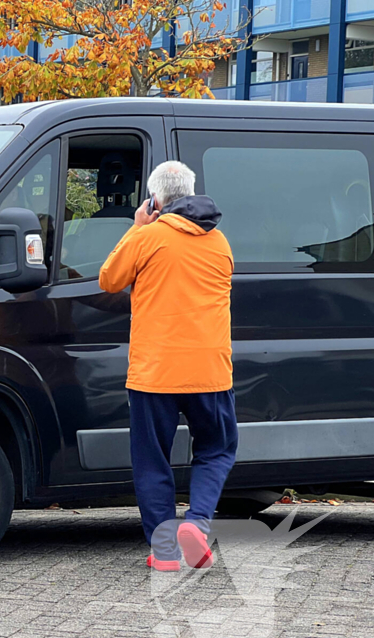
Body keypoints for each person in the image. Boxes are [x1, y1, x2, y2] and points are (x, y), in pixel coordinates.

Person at [98, 161, 237, 572]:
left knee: (152, 458)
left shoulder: (149, 237)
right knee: (217, 448)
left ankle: (163, 551)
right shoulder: (220, 242)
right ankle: (196, 522)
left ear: (154, 199)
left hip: (155, 372)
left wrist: (138, 227)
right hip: (209, 370)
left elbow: (109, 279)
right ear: (192, 193)